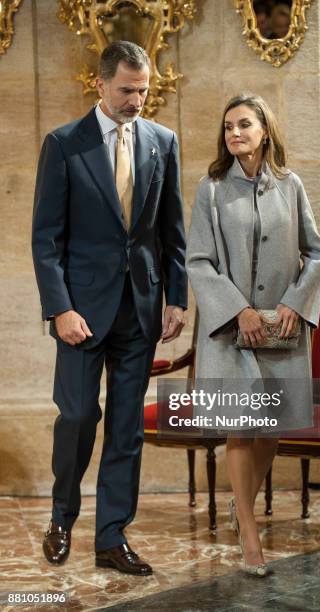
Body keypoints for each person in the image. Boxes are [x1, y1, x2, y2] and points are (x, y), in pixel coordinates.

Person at [32, 41, 187, 575]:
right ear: (100, 84)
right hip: (81, 311)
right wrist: (59, 309)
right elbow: (46, 239)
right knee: (77, 415)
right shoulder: (63, 144)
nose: (137, 100)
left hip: (141, 308)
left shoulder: (162, 142)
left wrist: (177, 297)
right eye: (127, 90)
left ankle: (111, 537)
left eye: (144, 89)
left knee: (127, 428)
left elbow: (172, 230)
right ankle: (60, 516)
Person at [186, 93, 320, 576]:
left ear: (264, 130)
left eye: (244, 124)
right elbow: (199, 261)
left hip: (280, 329)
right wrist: (237, 310)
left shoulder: (291, 186)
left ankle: (240, 501)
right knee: (240, 429)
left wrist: (294, 301)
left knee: (269, 428)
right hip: (231, 331)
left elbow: (318, 252)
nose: (234, 133)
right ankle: (250, 535)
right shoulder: (210, 189)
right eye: (228, 126)